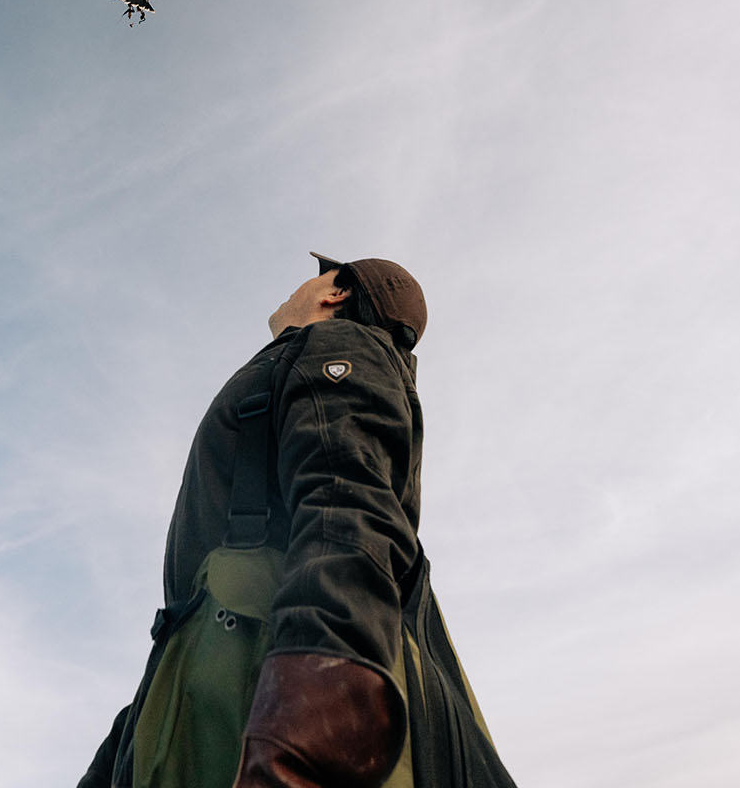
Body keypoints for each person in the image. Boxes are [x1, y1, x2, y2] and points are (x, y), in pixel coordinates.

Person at [79, 253, 510, 788]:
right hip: (205, 688)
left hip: (255, 690)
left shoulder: (337, 347)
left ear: (336, 294)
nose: (300, 284)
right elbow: (184, 624)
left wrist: (313, 728)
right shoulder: (296, 361)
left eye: (320, 274)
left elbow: (348, 509)